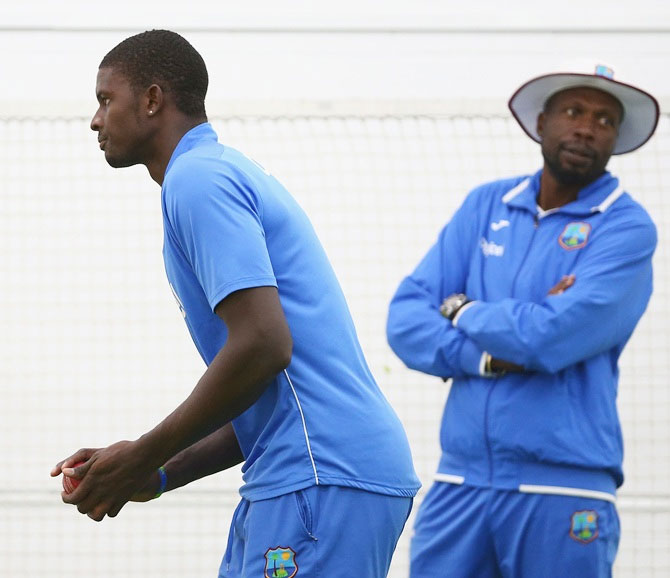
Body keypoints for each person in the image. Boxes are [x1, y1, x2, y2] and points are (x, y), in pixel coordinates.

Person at [51, 29, 420, 577]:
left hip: (320, 476)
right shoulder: (212, 174)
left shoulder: (198, 180)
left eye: (106, 99)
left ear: (152, 100)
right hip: (301, 477)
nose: (95, 119)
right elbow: (261, 397)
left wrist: (144, 452)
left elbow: (263, 347)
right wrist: (153, 473)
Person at [386, 65, 659, 577]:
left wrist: (461, 308)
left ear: (615, 139)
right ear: (541, 123)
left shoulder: (627, 227)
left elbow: (546, 336)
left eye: (603, 119)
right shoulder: (486, 203)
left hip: (564, 486)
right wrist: (484, 357)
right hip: (460, 483)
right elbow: (405, 319)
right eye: (573, 112)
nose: (586, 127)